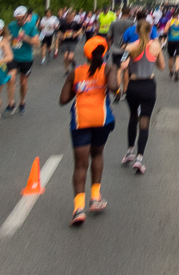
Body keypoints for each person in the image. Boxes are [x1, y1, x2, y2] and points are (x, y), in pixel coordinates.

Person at [59, 36, 118, 227]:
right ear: (105, 51)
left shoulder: (75, 72)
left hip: (80, 121)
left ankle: (78, 209)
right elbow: (114, 88)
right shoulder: (109, 68)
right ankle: (95, 198)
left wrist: (80, 88)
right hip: (102, 120)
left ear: (85, 54)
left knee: (80, 165)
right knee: (98, 154)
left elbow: (63, 99)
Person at [119, 17, 165, 174]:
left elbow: (123, 65)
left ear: (137, 31)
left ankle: (129, 151)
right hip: (149, 86)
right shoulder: (156, 46)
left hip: (133, 85)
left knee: (133, 116)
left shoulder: (130, 46)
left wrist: (129, 56)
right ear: (150, 31)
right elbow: (162, 66)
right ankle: (139, 158)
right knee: (144, 121)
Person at [6, 6, 39, 115]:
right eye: (17, 19)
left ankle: (22, 101)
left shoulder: (31, 26)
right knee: (11, 78)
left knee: (23, 82)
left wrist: (25, 37)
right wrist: (7, 39)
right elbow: (7, 36)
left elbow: (36, 43)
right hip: (13, 56)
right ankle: (11, 104)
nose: (19, 21)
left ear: (25, 17)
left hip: (26, 58)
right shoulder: (11, 25)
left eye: (21, 19)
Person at [166, 11, 179, 81]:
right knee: (178, 56)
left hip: (171, 40)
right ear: (178, 16)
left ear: (172, 16)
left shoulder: (170, 22)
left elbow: (165, 30)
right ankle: (176, 70)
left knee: (171, 57)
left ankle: (171, 71)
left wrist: (168, 31)